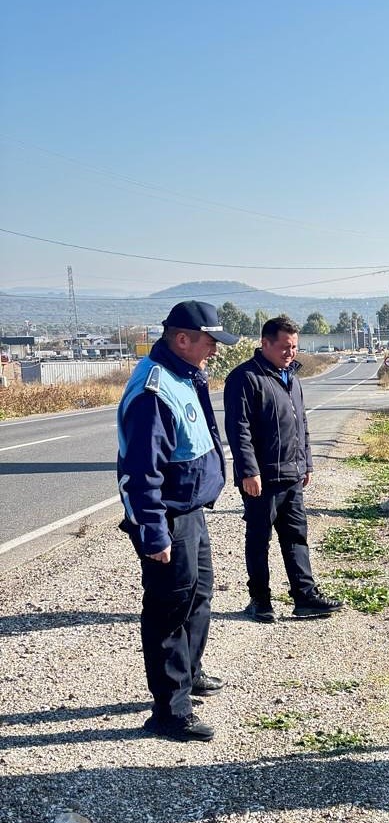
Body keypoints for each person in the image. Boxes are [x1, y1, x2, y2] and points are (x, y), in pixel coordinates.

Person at [117, 300, 238, 742]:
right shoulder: (153, 390)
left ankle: (190, 672)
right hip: (168, 516)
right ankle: (170, 711)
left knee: (199, 593)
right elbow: (139, 474)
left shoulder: (185, 375)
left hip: (192, 509)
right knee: (169, 608)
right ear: (182, 339)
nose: (215, 350)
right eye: (210, 342)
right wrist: (153, 532)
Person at [223, 316, 343, 623]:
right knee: (258, 539)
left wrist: (307, 463)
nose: (290, 353)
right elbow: (239, 430)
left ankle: (305, 597)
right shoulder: (245, 378)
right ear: (265, 344)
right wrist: (249, 471)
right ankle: (260, 601)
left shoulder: (291, 377)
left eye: (294, 347)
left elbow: (301, 423)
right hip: (261, 479)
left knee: (296, 538)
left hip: (292, 475)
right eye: (284, 347)